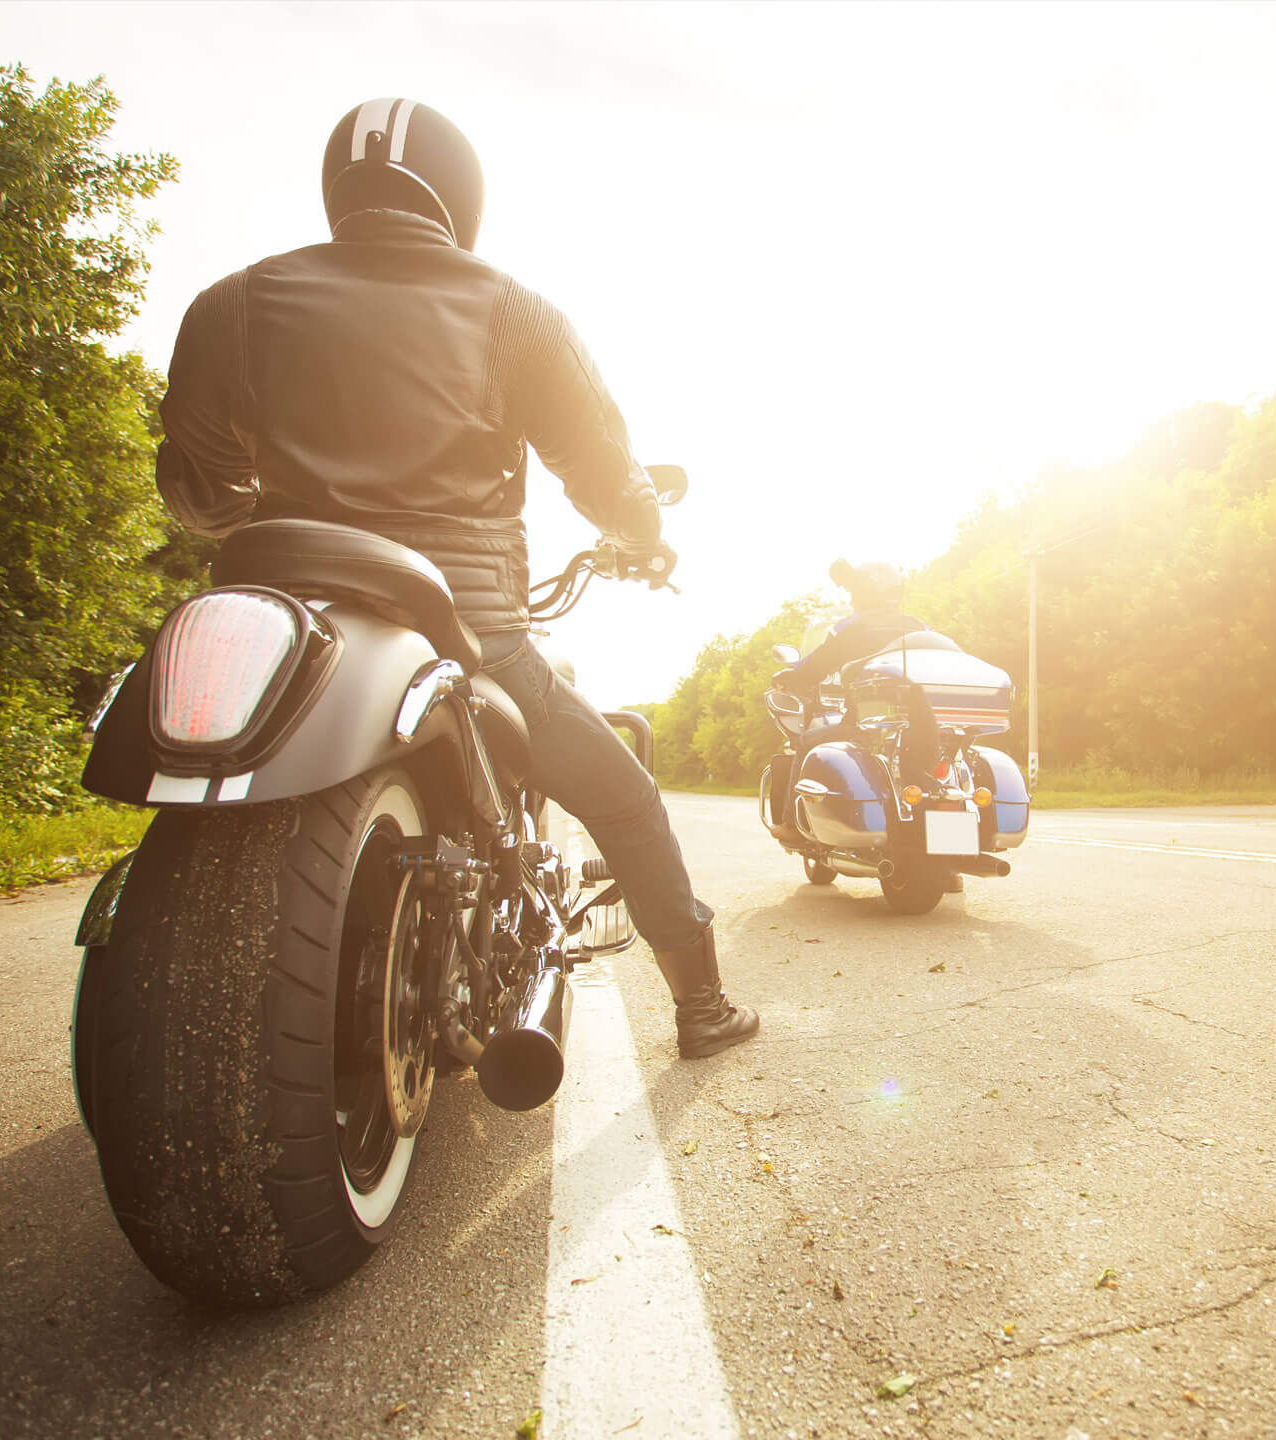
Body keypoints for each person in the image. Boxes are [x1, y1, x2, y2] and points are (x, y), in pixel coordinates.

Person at [153, 97, 755, 1059]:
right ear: (460, 193)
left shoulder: (235, 302)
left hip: (290, 614)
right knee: (628, 799)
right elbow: (602, 466)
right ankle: (703, 1007)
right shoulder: (512, 312)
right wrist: (643, 534)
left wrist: (254, 521)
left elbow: (192, 478)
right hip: (467, 628)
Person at [780, 560, 941, 776]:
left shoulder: (852, 628)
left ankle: (789, 812)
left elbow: (815, 666)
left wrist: (790, 676)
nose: (851, 598)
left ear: (864, 593)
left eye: (853, 591)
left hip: (865, 724)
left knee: (807, 742)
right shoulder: (920, 627)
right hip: (925, 728)